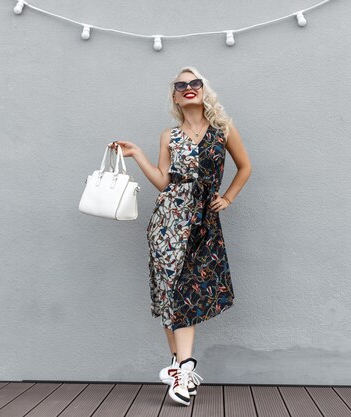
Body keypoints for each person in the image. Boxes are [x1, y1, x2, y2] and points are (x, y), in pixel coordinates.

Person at [109, 66, 252, 406]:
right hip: (169, 223)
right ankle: (183, 368)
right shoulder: (168, 136)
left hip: (203, 223)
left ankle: (179, 367)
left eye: (195, 83)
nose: (189, 88)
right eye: (181, 85)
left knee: (188, 292)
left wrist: (228, 197)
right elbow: (163, 182)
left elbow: (245, 166)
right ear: (174, 95)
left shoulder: (223, 129)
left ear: (204, 90)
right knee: (172, 295)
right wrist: (137, 154)